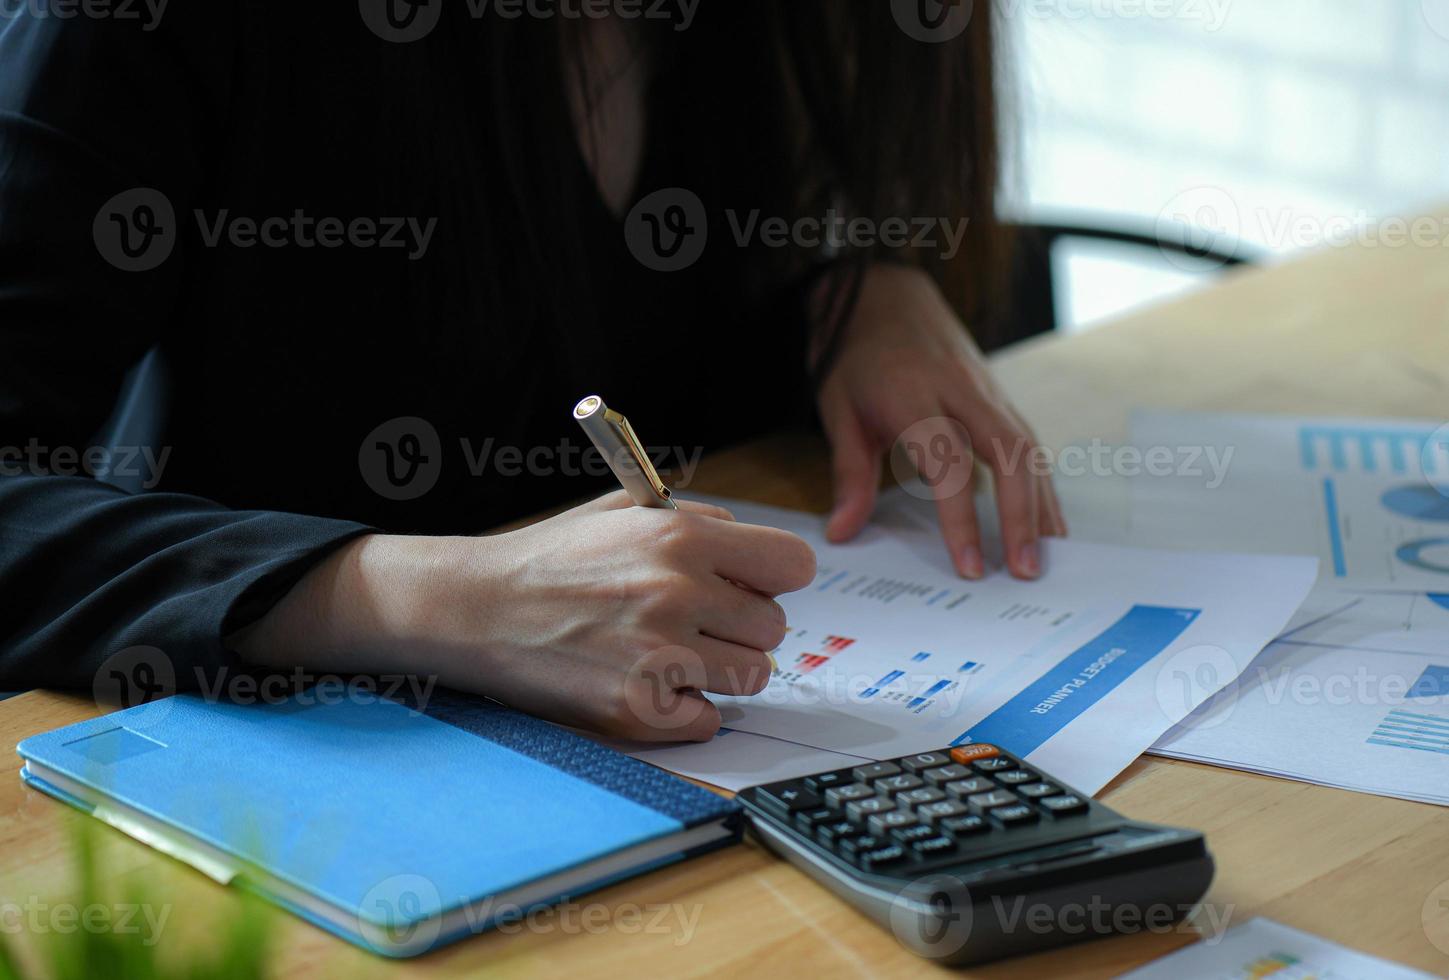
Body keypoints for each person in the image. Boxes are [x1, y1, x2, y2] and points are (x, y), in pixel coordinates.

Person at [0, 1, 1064, 739]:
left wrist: (849, 287)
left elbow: (623, 348)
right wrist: (442, 599)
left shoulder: (787, 35)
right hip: (283, 806)